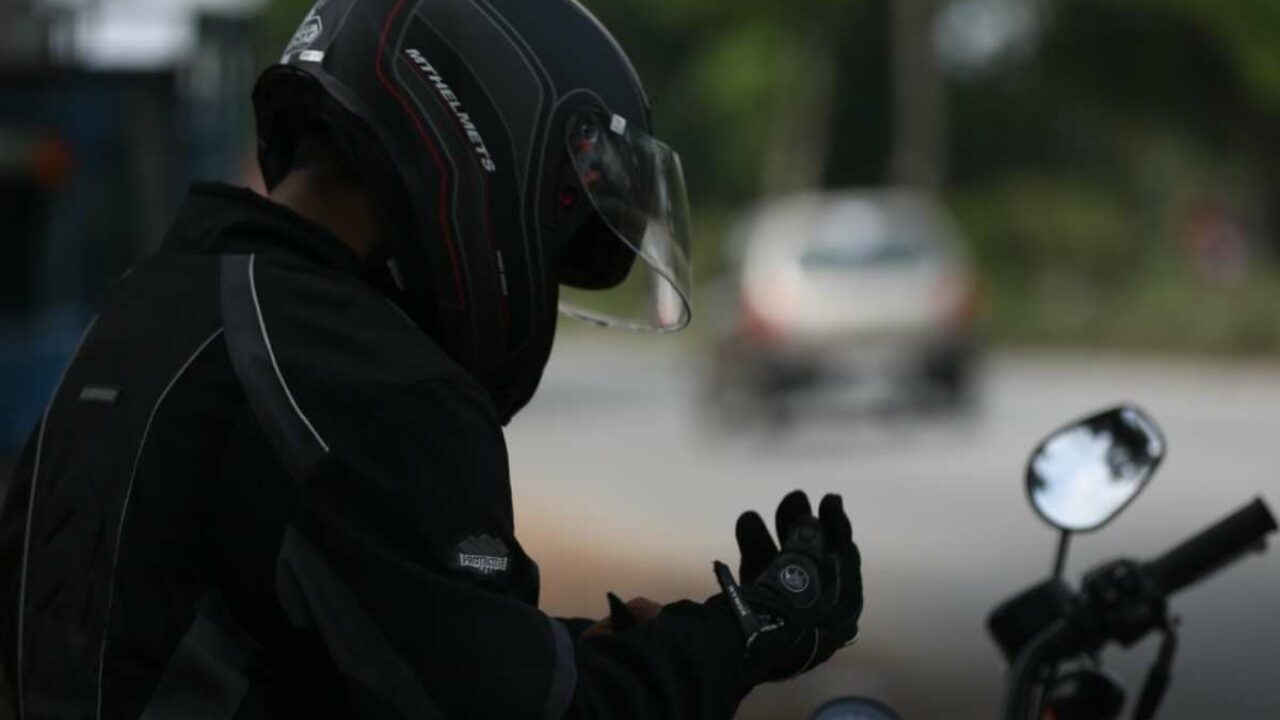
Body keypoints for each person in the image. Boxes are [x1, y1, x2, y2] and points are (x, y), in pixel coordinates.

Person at [0, 1, 862, 717]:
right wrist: (746, 635)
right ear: (488, 135)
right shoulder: (360, 382)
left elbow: (366, 644)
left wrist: (594, 649)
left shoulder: (160, 307)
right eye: (554, 233)